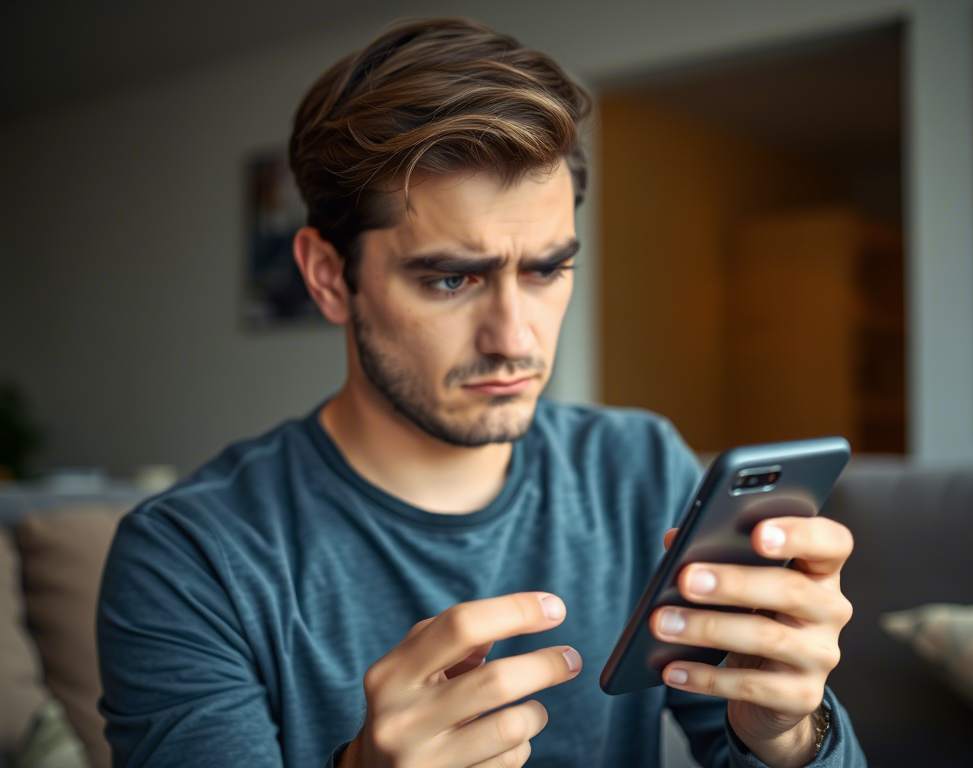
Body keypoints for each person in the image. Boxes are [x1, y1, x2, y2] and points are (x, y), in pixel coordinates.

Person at [97, 17, 867, 768]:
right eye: (451, 278)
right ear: (330, 277)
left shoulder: (637, 466)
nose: (515, 337)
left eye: (545, 270)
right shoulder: (188, 555)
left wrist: (791, 737)